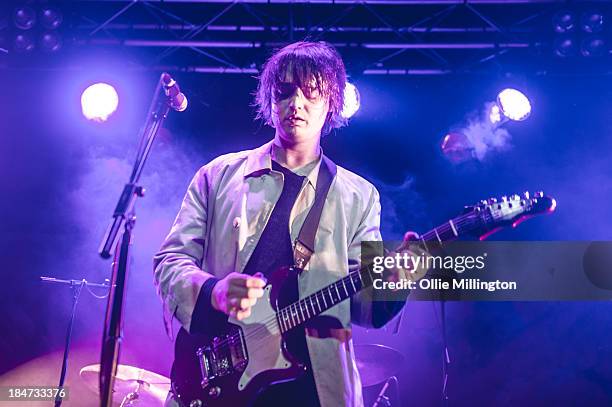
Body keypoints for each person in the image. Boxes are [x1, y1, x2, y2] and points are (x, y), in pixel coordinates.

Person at [154, 41, 414, 407]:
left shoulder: (360, 195)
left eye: (312, 93)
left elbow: (364, 308)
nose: (297, 104)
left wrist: (394, 283)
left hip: (312, 389)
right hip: (218, 376)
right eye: (285, 92)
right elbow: (169, 262)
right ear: (269, 98)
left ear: (332, 102)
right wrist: (212, 291)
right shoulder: (218, 175)